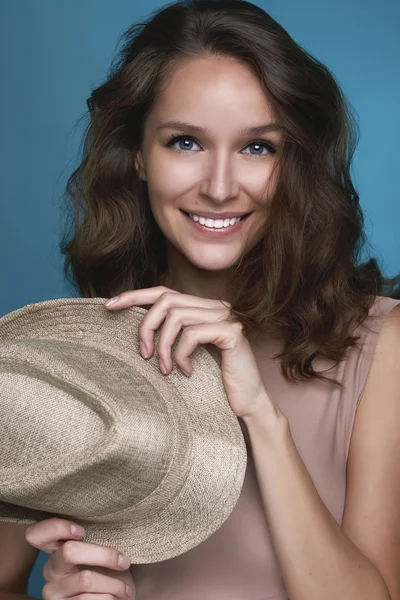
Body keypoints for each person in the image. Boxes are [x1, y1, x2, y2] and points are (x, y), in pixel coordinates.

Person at [1, 1, 400, 599]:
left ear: (295, 163)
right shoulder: (67, 363)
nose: (218, 188)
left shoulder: (379, 344)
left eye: (258, 148)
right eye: (185, 142)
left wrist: (262, 418)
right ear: (137, 155)